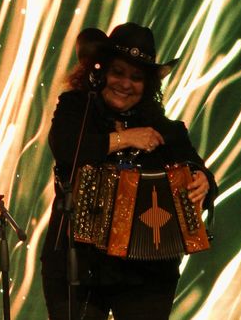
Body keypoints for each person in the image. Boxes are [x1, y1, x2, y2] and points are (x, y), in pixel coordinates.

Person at [40, 22, 218, 320]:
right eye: (118, 72)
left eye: (136, 77)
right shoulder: (76, 108)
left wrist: (204, 182)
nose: (125, 83)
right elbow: (66, 147)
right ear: (99, 73)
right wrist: (124, 138)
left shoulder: (164, 129)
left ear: (148, 85)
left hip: (146, 274)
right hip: (78, 265)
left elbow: (196, 167)